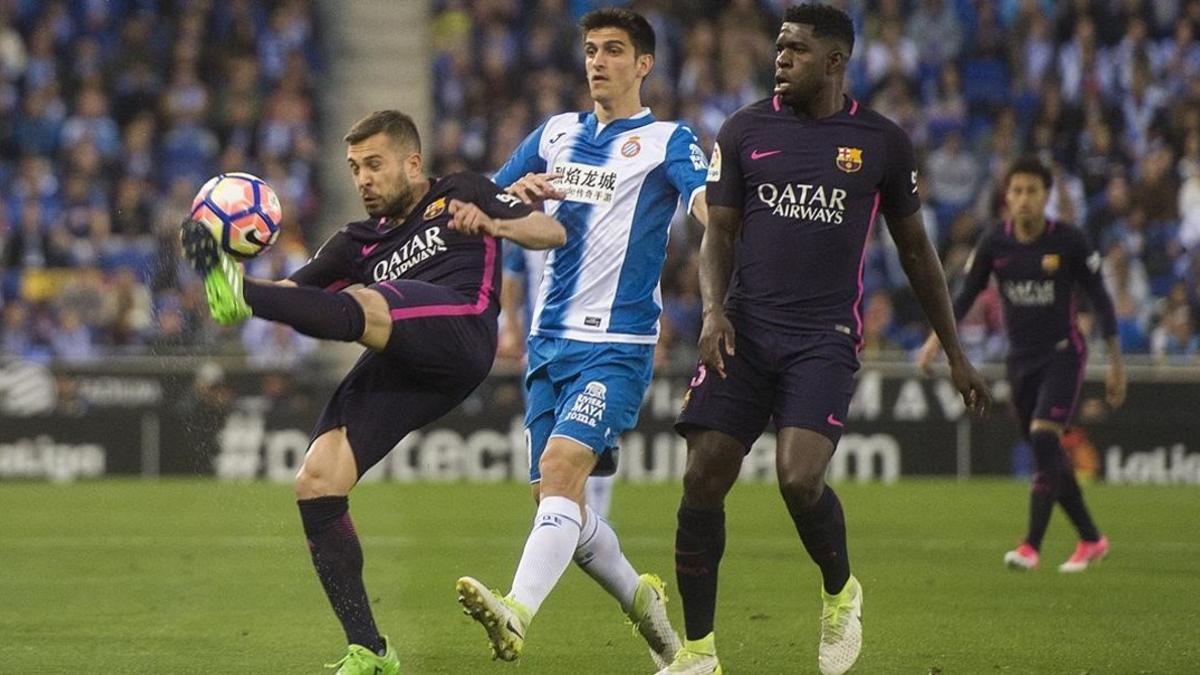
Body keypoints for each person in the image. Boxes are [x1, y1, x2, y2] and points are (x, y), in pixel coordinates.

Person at [180, 109, 566, 675]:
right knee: (317, 479)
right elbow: (294, 293)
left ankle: (236, 290)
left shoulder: (463, 190)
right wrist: (233, 270)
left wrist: (494, 224)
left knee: (367, 304)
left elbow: (550, 230)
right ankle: (371, 650)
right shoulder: (354, 241)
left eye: (375, 165)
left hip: (459, 330)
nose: (362, 178)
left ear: (412, 163)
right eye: (355, 167)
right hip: (401, 349)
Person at [664, 5, 991, 675]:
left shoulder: (881, 142)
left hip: (824, 336)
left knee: (799, 476)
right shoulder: (744, 129)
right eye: (780, 47)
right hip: (745, 330)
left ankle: (841, 592)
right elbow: (718, 232)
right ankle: (696, 653)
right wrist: (712, 314)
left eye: (797, 49)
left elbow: (918, 253)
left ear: (835, 62)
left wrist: (955, 351)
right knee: (702, 475)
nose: (780, 57)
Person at [454, 7, 710, 669]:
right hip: (548, 345)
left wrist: (729, 218)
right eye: (592, 49)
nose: (598, 61)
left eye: (615, 50)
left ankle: (516, 611)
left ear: (644, 64)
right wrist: (518, 193)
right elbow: (493, 193)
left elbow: (706, 203)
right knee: (556, 502)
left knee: (564, 472)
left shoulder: (667, 142)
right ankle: (663, 632)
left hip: (616, 345)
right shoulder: (557, 134)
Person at [918, 156, 1126, 573]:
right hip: (1021, 361)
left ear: (1046, 196)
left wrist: (1116, 363)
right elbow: (963, 296)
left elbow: (1101, 300)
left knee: (1045, 438)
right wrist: (933, 343)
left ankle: (1031, 546)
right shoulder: (996, 243)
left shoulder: (1069, 241)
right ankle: (1090, 538)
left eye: (1033, 191)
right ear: (1006, 198)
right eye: (1017, 191)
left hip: (1064, 354)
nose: (1024, 199)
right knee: (1047, 453)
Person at [501, 243, 618, 519]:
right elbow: (510, 280)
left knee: (593, 440)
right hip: (540, 349)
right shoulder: (531, 227)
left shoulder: (597, 224)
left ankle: (593, 519)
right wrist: (513, 329)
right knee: (546, 450)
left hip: (594, 346)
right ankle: (569, 521)